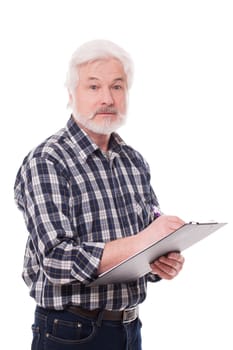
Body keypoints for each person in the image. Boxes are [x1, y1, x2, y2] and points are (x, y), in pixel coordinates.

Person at [14, 39, 185, 350]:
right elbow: (56, 259)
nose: (107, 98)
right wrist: (146, 241)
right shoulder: (47, 161)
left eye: (117, 87)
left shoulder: (133, 161)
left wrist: (160, 261)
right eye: (94, 87)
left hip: (130, 328)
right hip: (69, 331)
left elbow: (145, 239)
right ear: (71, 94)